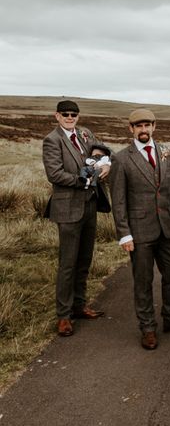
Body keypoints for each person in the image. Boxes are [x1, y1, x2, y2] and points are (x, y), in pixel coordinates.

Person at [110, 109, 170, 350]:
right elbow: (118, 201)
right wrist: (124, 234)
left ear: (154, 126)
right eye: (138, 126)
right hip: (139, 232)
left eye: (147, 125)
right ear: (131, 129)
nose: (143, 129)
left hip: (167, 228)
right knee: (143, 280)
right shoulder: (121, 159)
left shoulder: (166, 153)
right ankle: (148, 327)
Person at [42, 100, 109, 337]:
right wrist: (83, 181)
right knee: (68, 264)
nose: (70, 117)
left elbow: (100, 151)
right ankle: (63, 315)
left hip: (90, 205)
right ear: (57, 116)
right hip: (68, 208)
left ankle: (80, 305)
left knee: (84, 260)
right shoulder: (52, 140)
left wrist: (105, 164)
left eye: (74, 114)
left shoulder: (85, 134)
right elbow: (55, 174)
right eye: (66, 114)